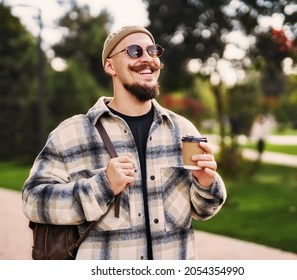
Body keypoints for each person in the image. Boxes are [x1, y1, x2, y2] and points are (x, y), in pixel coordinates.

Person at [22, 26, 227, 260]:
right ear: (110, 66)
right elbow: (32, 201)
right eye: (134, 51)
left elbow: (204, 210)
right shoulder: (72, 134)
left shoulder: (182, 131)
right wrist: (103, 186)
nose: (147, 58)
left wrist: (206, 182)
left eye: (152, 51)